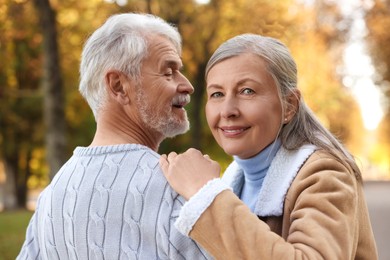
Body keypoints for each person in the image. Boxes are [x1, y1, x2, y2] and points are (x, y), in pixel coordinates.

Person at [160, 34, 378, 259]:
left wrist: (205, 196)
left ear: (289, 105)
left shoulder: (325, 175)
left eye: (247, 91)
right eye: (217, 94)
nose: (227, 110)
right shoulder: (233, 180)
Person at [17, 13, 212, 259]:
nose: (187, 85)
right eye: (168, 72)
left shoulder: (50, 197)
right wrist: (209, 196)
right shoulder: (180, 190)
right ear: (118, 85)